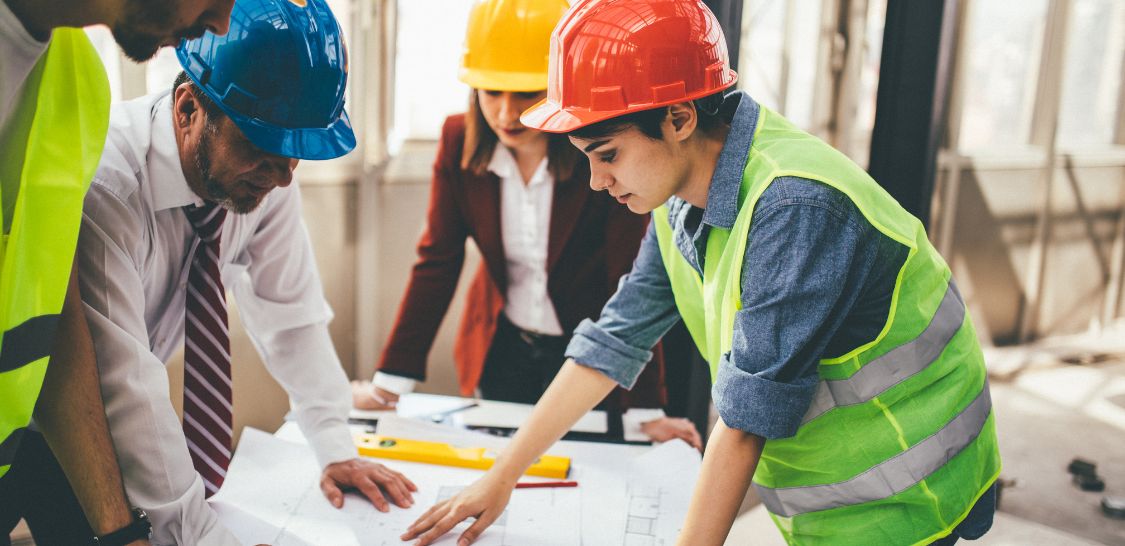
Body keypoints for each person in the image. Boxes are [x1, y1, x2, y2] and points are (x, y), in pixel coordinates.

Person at [401, 1, 1002, 545]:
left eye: (607, 155)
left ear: (681, 118)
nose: (596, 182)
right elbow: (614, 341)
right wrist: (502, 476)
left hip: (906, 494)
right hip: (830, 496)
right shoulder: (679, 196)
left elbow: (744, 421)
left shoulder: (794, 208)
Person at [73, 0, 416, 543]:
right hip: (68, 433)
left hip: (135, 420)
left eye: (297, 153)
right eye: (266, 146)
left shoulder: (260, 181)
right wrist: (198, 533)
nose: (283, 177)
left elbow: (291, 315)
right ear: (188, 108)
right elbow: (127, 383)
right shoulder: (109, 185)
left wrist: (333, 444)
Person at [351, 0, 699, 446]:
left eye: (525, 93)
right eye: (492, 92)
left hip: (589, 352)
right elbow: (437, 261)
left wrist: (645, 409)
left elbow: (631, 281)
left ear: (558, 87)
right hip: (501, 347)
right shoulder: (457, 140)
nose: (505, 113)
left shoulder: (602, 151)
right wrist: (389, 383)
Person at [1, 0, 235, 544]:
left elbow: (55, 320)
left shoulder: (77, 81)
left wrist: (120, 533)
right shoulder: (116, 170)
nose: (222, 22)